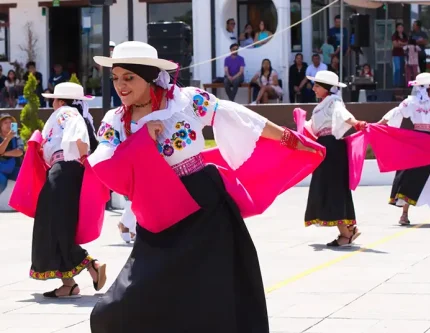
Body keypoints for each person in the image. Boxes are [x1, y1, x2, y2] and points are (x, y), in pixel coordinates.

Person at [87, 41, 324, 332]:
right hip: (158, 214)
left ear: (149, 77)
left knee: (213, 292)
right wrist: (142, 139)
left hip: (205, 206)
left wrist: (289, 138)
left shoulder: (186, 102)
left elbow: (240, 118)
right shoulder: (116, 122)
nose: (120, 86)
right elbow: (104, 165)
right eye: (115, 79)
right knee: (127, 301)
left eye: (128, 78)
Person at [29, 82, 105, 298]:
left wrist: (82, 159)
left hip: (63, 171)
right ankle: (69, 283)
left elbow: (80, 139)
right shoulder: (74, 113)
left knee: (51, 224)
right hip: (65, 171)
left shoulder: (65, 112)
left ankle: (91, 265)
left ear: (61, 100)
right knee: (58, 225)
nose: (52, 103)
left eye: (54, 99)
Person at [303, 70, 366, 247]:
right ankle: (349, 230)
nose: (313, 88)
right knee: (329, 187)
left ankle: (346, 234)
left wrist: (356, 123)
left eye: (317, 85)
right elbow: (314, 129)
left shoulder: (334, 101)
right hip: (325, 147)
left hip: (332, 147)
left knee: (333, 188)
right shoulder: (322, 105)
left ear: (326, 88)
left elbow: (342, 114)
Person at [378, 72, 430, 225]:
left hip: (415, 141)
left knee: (409, 174)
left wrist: (380, 123)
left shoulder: (411, 102)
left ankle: (404, 214)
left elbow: (396, 112)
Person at [0, 113, 23, 194]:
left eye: (10, 122)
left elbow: (19, 152)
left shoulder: (17, 138)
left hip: (14, 168)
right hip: (1, 170)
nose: (8, 125)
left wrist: (4, 154)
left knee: (27, 178)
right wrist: (7, 138)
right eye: (5, 123)